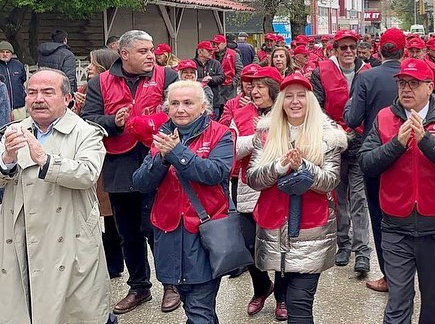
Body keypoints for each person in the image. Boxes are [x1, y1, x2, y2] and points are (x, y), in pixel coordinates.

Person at [0, 69, 114, 323]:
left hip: (68, 237)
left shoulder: (85, 132)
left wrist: (46, 161)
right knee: (23, 306)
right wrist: (6, 161)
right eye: (32, 92)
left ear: (67, 98)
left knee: (73, 311)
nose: (38, 99)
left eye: (47, 92)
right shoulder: (14, 131)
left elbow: (88, 174)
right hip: (21, 235)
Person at [360, 58, 435, 324]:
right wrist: (396, 144)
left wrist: (426, 141)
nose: (406, 89)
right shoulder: (385, 117)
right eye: (402, 84)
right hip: (396, 226)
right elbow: (366, 163)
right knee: (397, 303)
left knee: (432, 304)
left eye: (414, 84)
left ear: (430, 87)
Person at [82, 30, 181, 315]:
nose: (150, 55)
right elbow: (89, 120)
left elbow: (180, 114)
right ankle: (139, 287)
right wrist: (113, 120)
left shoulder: (167, 76)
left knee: (159, 227)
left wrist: (154, 124)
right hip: (119, 162)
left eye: (151, 50)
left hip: (157, 158)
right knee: (128, 231)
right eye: (142, 51)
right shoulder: (100, 82)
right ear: (124, 54)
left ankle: (171, 284)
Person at [246, 73, 347, 323]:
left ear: (310, 100)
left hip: (311, 229)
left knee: (300, 303)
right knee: (288, 295)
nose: (295, 101)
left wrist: (303, 166)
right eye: (288, 96)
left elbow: (330, 182)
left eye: (301, 96)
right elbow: (253, 179)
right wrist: (278, 167)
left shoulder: (328, 135)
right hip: (274, 226)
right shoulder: (265, 134)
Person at [132, 80, 234, 324]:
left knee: (199, 306)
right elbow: (141, 183)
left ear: (203, 107)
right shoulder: (162, 136)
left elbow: (214, 173)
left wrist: (177, 153)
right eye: (174, 103)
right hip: (168, 231)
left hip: (205, 231)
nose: (180, 109)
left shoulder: (221, 134)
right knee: (191, 303)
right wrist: (163, 159)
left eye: (188, 103)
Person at [343, 28, 404, 293]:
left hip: (375, 155)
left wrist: (349, 103)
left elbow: (353, 118)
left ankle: (389, 275)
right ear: (404, 50)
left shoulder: (366, 77)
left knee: (379, 216)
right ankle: (406, 273)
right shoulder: (417, 75)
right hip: (409, 152)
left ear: (379, 50)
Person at [310, 30, 372, 275]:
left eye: (352, 47)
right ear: (334, 49)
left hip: (359, 142)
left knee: (359, 197)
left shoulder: (367, 72)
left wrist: (358, 131)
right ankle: (343, 244)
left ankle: (362, 250)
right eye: (343, 47)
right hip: (333, 142)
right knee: (338, 198)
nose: (348, 52)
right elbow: (317, 106)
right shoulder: (320, 72)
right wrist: (335, 132)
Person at [229, 66, 289, 319]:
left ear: (274, 90)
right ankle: (262, 286)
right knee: (248, 244)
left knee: (280, 245)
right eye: (252, 86)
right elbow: (230, 148)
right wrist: (256, 139)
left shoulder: (288, 113)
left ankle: (282, 297)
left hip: (280, 189)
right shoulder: (241, 114)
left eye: (261, 86)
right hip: (248, 187)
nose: (254, 91)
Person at [72, 48, 125, 279]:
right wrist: (76, 108)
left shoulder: (110, 88)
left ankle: (115, 262)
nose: (89, 67)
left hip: (107, 155)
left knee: (109, 212)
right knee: (96, 213)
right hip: (89, 153)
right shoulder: (85, 89)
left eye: (93, 63)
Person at [212, 34, 243, 118]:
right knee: (216, 112)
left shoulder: (233, 54)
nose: (215, 46)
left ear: (224, 44)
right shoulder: (211, 54)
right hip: (215, 87)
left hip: (229, 88)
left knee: (229, 110)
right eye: (214, 44)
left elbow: (240, 70)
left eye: (217, 44)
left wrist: (234, 81)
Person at [193, 41, 225, 115]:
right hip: (197, 102)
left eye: (212, 50)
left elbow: (222, 77)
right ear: (200, 52)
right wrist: (201, 81)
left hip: (214, 102)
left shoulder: (216, 63)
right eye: (208, 50)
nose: (211, 53)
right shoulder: (192, 63)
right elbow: (187, 79)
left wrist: (211, 79)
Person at [0, 40, 28, 121]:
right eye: (2, 52)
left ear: (11, 53)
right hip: (2, 108)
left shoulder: (18, 65)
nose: (5, 54)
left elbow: (23, 80)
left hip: (18, 107)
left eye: (7, 52)